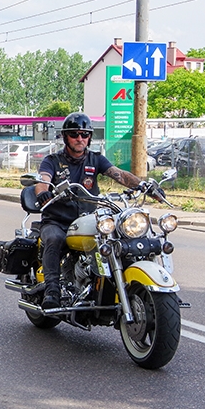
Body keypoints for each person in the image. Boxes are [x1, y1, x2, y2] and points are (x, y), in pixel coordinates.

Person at [34, 112, 144, 310]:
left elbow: (119, 175)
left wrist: (144, 186)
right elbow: (43, 179)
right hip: (58, 221)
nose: (80, 139)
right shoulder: (53, 160)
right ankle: (52, 290)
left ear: (90, 137)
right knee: (53, 239)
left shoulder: (96, 159)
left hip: (88, 220)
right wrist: (43, 192)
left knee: (118, 238)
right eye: (75, 134)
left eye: (84, 134)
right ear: (66, 136)